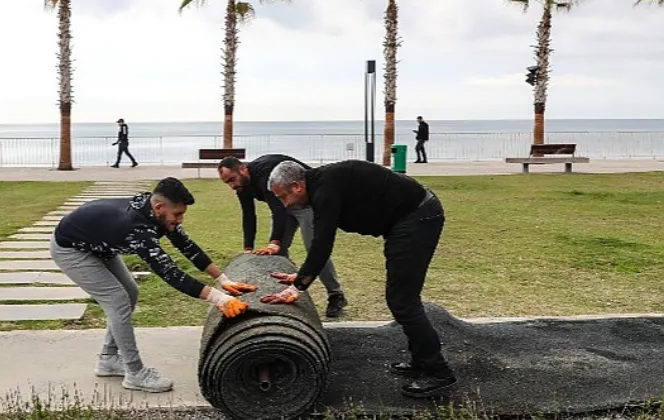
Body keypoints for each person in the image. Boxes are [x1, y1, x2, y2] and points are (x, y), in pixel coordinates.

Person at [259, 159, 456, 398]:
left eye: (282, 197)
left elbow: (322, 243)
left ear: (296, 186)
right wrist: (302, 276)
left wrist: (297, 287)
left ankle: (438, 372)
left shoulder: (325, 190)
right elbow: (321, 242)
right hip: (407, 220)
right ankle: (422, 361)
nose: (285, 204)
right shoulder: (322, 185)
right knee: (401, 299)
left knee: (403, 300)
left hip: (418, 218)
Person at [50, 177, 256, 393]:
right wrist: (220, 299)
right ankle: (134, 373)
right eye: (178, 214)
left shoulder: (157, 213)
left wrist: (223, 280)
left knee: (130, 291)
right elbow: (171, 274)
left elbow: (187, 246)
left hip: (99, 244)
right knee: (118, 300)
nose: (180, 219)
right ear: (159, 207)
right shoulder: (136, 229)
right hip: (71, 250)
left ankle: (108, 359)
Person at [217, 154, 349, 317]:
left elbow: (277, 210)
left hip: (304, 202)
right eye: (227, 182)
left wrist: (274, 241)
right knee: (277, 252)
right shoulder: (242, 186)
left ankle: (335, 295)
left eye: (232, 179)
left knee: (314, 248)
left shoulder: (264, 173)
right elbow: (249, 215)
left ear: (243, 169)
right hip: (285, 205)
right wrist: (248, 247)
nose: (232, 185)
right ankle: (283, 290)